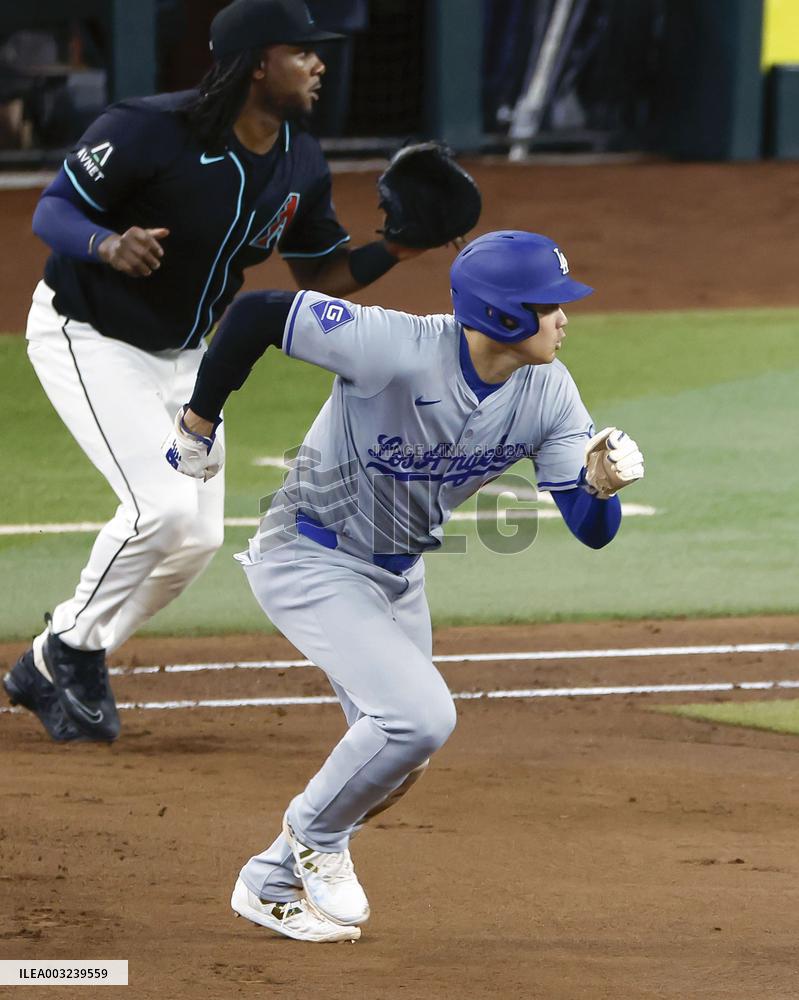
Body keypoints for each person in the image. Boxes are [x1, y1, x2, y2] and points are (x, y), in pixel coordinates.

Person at [164, 230, 646, 942]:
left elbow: (591, 528)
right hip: (310, 557)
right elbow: (257, 314)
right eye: (550, 305)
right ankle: (314, 838)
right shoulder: (392, 344)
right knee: (420, 718)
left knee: (396, 762)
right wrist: (199, 423)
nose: (565, 318)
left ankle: (269, 881)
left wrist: (598, 488)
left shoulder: (548, 392)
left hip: (397, 576)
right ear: (504, 315)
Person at [3, 0, 430, 744]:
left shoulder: (299, 158)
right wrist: (105, 244)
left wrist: (397, 248)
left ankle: (65, 653)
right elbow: (53, 209)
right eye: (303, 53)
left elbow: (322, 275)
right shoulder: (145, 128)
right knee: (160, 511)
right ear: (258, 62)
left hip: (186, 358)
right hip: (89, 335)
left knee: (197, 539)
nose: (318, 64)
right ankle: (67, 648)